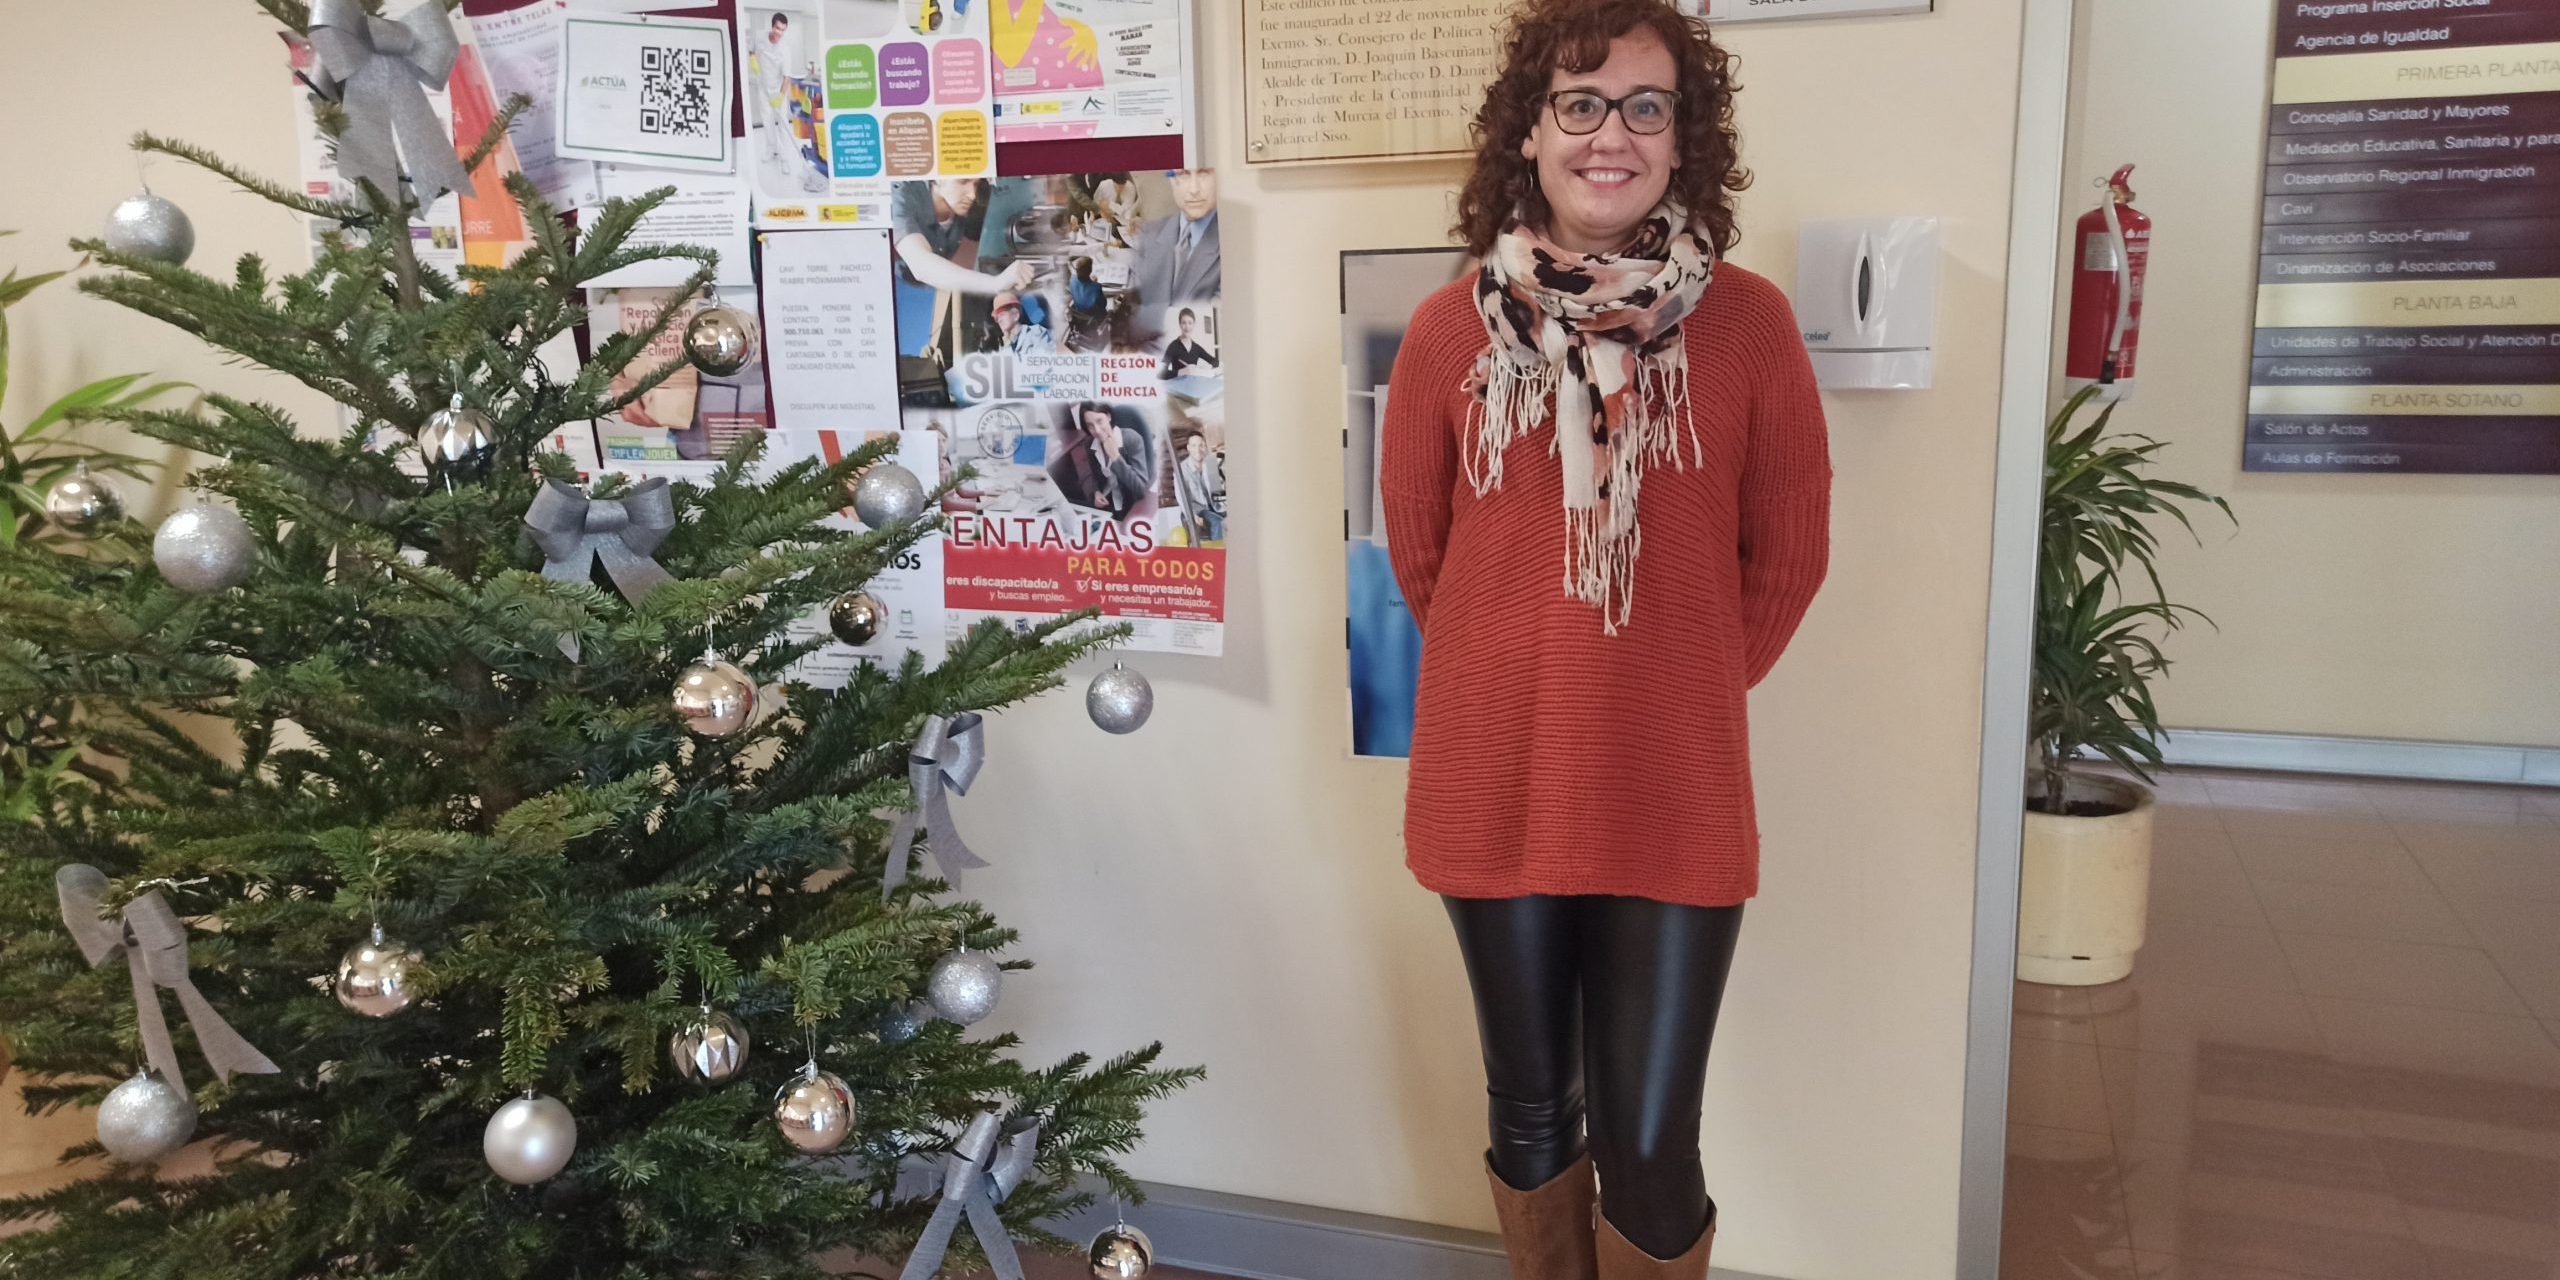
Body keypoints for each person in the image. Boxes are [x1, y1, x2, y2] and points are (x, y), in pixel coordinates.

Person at [1378, 0, 1830, 1276]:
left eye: (1646, 107)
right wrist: (1518, 677)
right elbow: (1424, 560)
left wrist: (1657, 684)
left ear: (1684, 140)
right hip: (1493, 771)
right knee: (1528, 1119)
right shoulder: (1443, 336)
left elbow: (1787, 559)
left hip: (1671, 783)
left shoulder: (1748, 325)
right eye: (1581, 104)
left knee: (1647, 1140)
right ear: (1530, 131)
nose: (1610, 136)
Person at [1128, 168, 1219, 340]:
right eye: (1183, 175)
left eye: (1204, 174)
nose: (1194, 188)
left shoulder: (1232, 240)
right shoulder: (1151, 235)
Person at [1045, 402, 1152, 521]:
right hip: (1108, 503)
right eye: (1090, 425)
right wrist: (1094, 492)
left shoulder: (1132, 439)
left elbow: (1141, 489)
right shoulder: (1090, 443)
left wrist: (1115, 457)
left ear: (1109, 416)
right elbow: (1087, 475)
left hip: (1131, 504)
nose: (1097, 430)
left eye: (1099, 421)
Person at [1173, 432, 1222, 544]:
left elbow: (1219, 491)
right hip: (1198, 509)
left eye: (1201, 445)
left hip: (1214, 506)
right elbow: (1180, 496)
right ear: (1188, 448)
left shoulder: (1211, 463)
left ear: (1205, 447)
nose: (1198, 449)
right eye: (1194, 446)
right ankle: (1217, 555)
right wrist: (1191, 515)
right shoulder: (1181, 469)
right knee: (1217, 522)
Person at [989, 290, 1054, 356]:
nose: (1000, 320)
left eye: (1002, 314)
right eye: (997, 318)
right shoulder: (1008, 349)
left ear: (1016, 315)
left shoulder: (1036, 333)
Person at [1158, 307, 1218, 379]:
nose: (1187, 327)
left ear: (1193, 325)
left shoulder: (1197, 348)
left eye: (1190, 323)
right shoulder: (1173, 346)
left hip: (1194, 387)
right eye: (1184, 323)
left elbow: (1215, 361)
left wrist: (1208, 367)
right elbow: (1160, 373)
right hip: (1177, 388)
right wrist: (1181, 372)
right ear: (1180, 325)